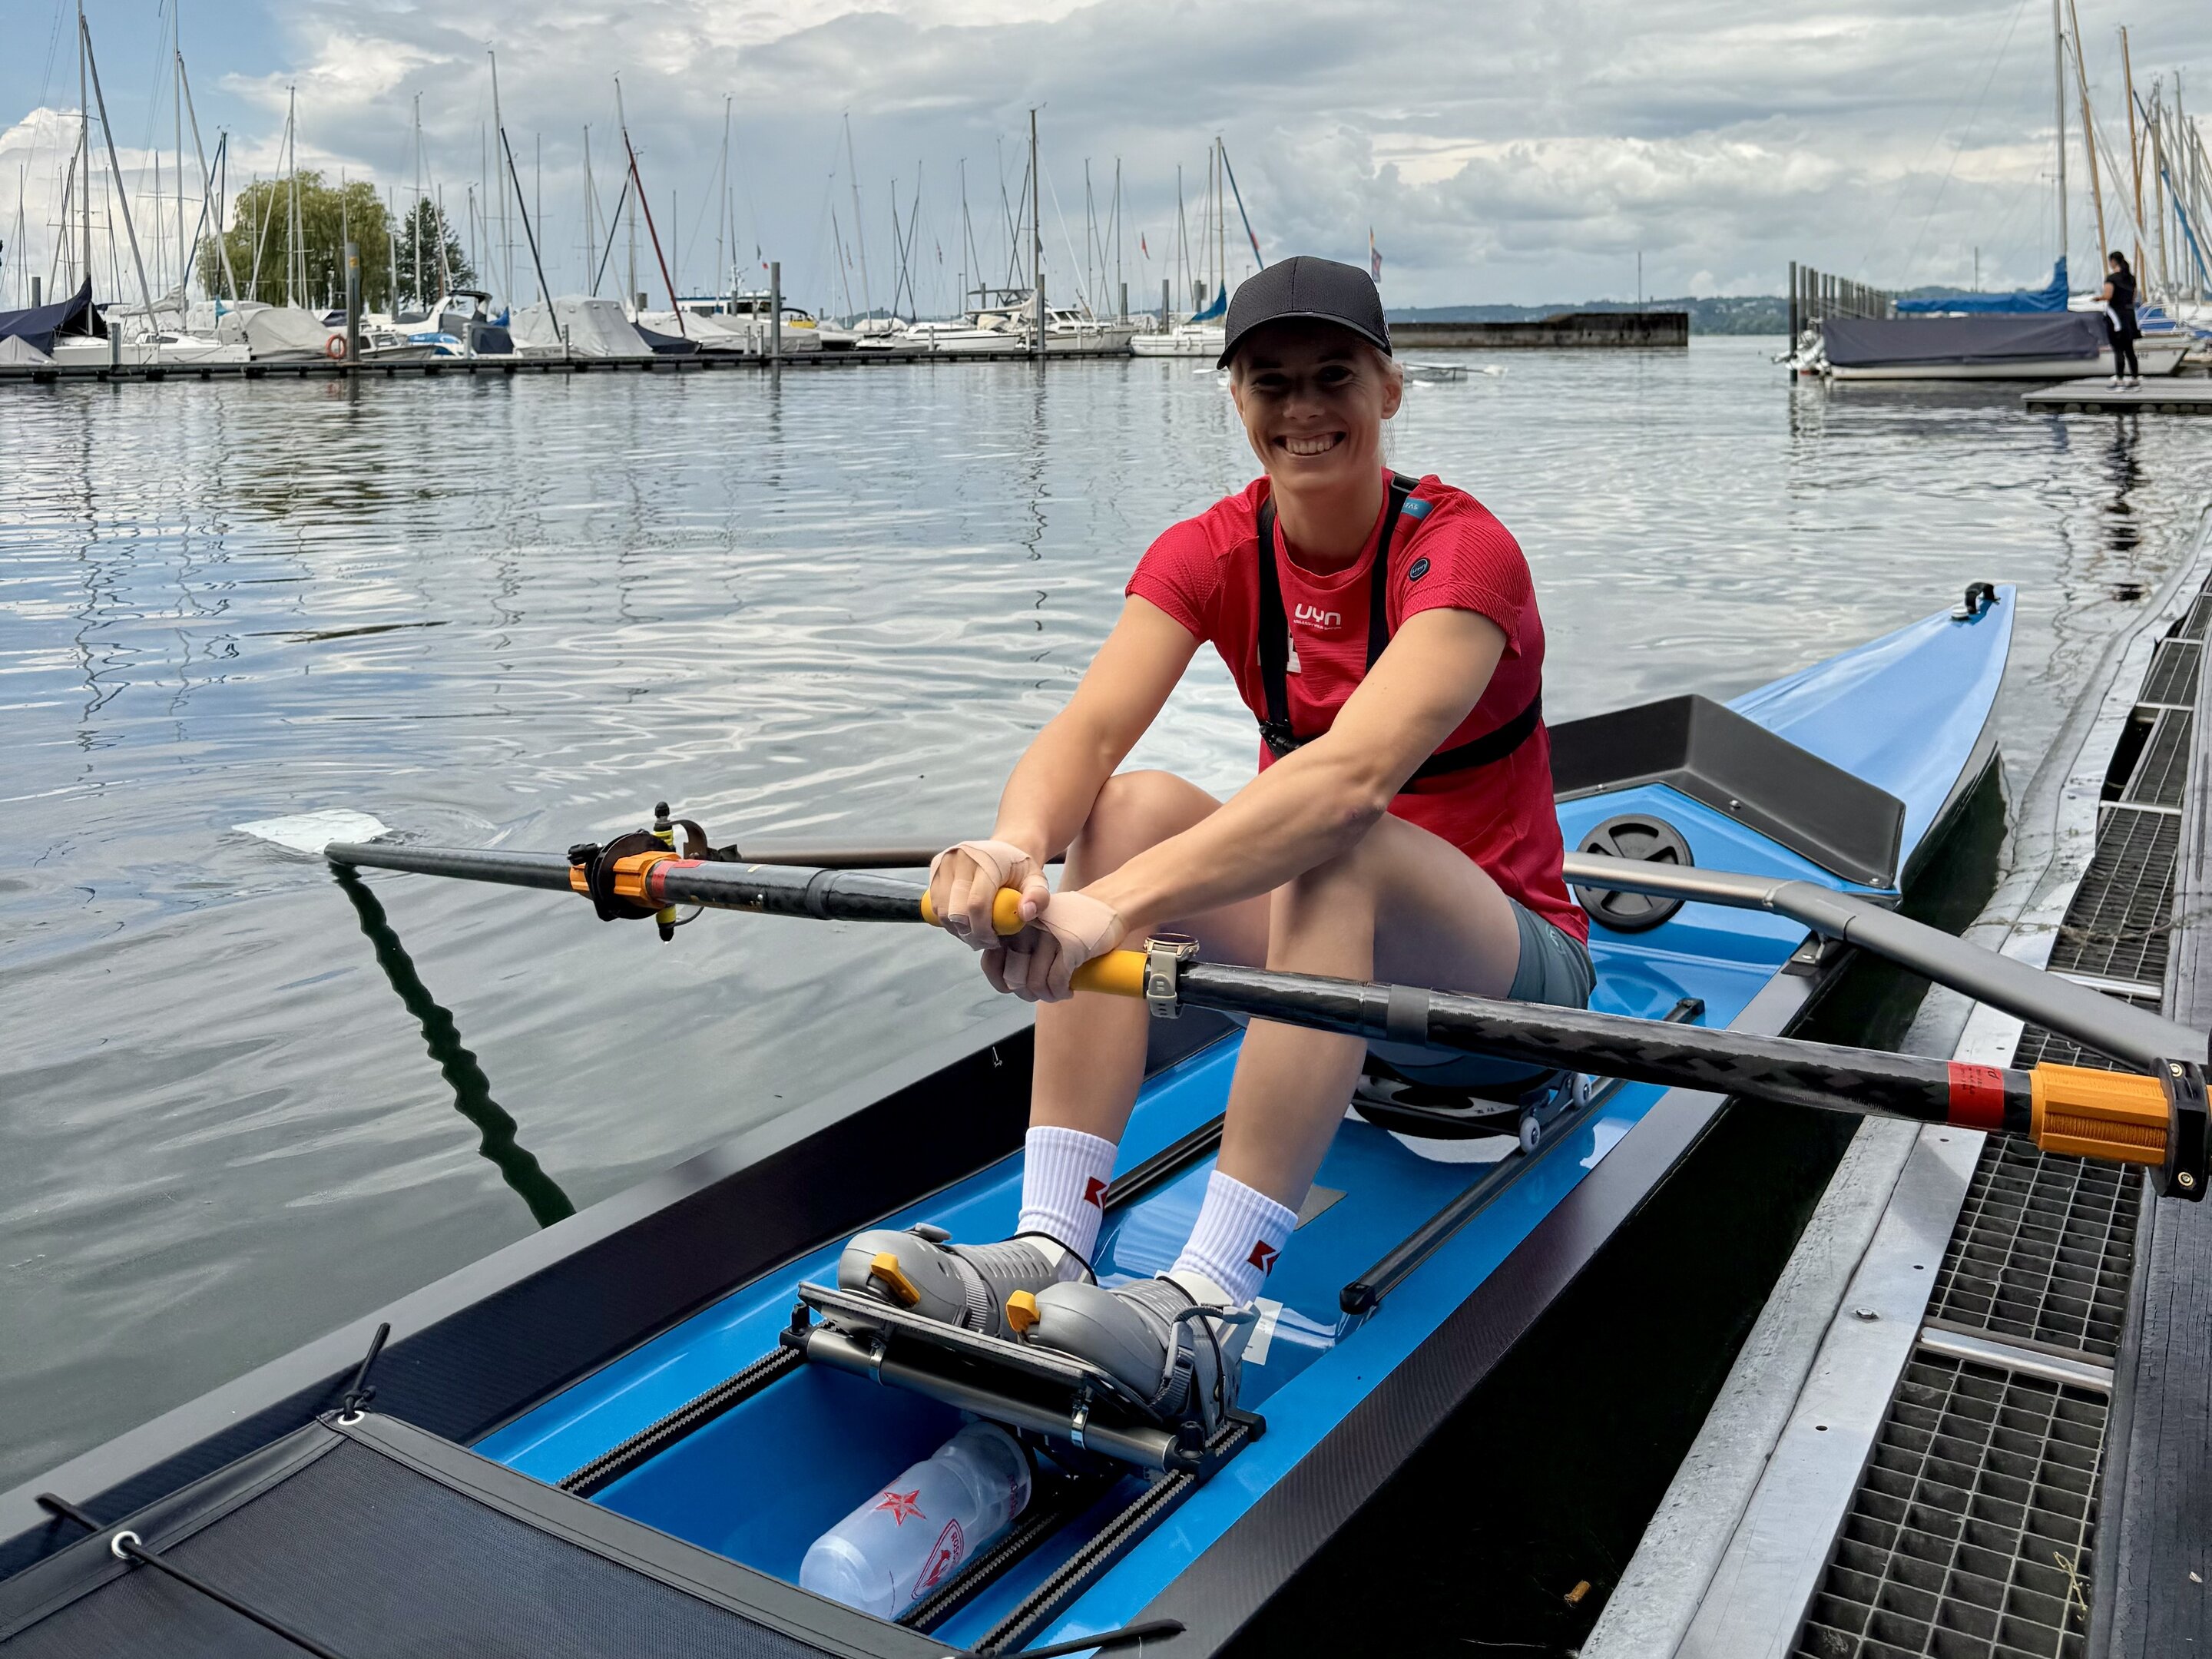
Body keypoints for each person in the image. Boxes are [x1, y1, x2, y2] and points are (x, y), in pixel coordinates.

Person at [838, 255, 1591, 1423]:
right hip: (1340, 986)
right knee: (1128, 805)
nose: (1303, 410)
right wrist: (1017, 851)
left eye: (1334, 377)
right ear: (1235, 397)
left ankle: (1207, 1304)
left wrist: (1112, 909)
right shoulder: (1213, 550)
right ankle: (1051, 1240)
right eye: (1271, 383)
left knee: (1335, 842)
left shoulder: (1461, 553)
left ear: (1390, 390)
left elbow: (1346, 784)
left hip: (1504, 1001)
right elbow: (1089, 731)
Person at [2101, 251, 2141, 388]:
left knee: (2118, 349)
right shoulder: (2131, 278)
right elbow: (2134, 296)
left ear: (2113, 262)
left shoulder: (2111, 278)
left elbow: (2108, 296)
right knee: (2130, 349)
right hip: (2129, 315)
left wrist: (2098, 298)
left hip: (2116, 316)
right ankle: (2135, 377)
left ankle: (2119, 378)